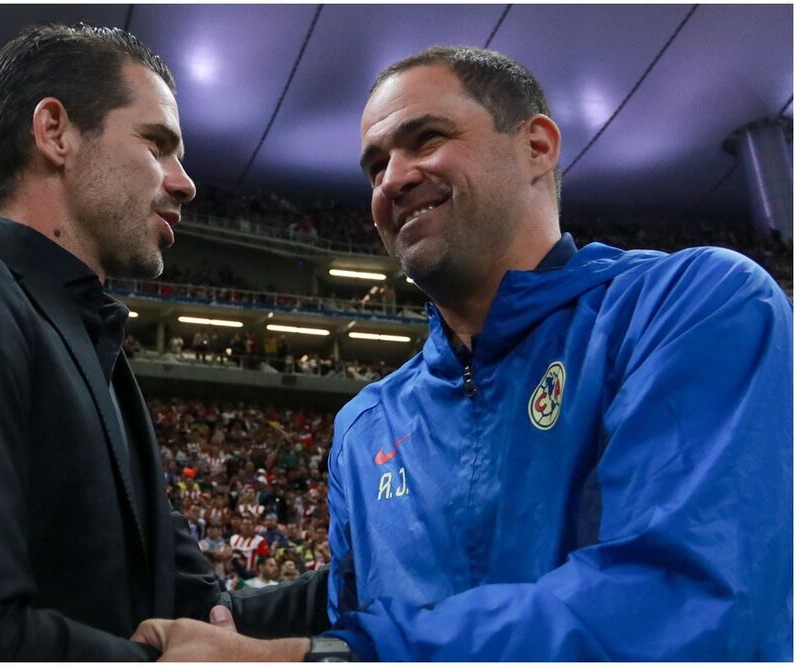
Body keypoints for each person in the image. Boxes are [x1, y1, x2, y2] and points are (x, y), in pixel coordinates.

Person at [131, 45, 792, 660]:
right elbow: (352, 610)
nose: (392, 178)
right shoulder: (366, 426)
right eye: (373, 165)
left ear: (536, 146)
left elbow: (677, 606)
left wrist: (329, 656)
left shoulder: (691, 305)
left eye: (426, 139)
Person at [0, 23, 326, 660]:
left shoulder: (105, 362)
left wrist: (393, 578)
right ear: (55, 132)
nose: (184, 181)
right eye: (157, 144)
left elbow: (203, 610)